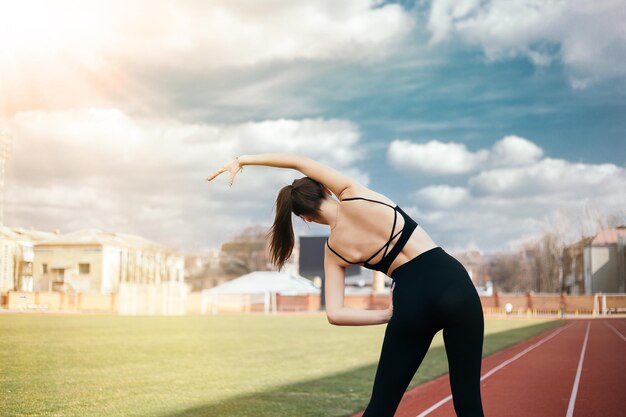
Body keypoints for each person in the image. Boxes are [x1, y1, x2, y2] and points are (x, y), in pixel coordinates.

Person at [207, 153, 485, 417]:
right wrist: (242, 160)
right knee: (468, 401)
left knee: (381, 407)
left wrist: (386, 315)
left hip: (410, 300)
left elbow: (335, 314)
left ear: (305, 218)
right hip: (452, 281)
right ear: (324, 190)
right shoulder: (354, 192)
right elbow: (297, 161)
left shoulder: (334, 251)